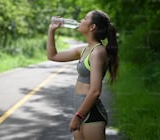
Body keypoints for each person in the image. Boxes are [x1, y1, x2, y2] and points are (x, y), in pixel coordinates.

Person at [47, 10, 119, 140]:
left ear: (92, 27)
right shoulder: (85, 49)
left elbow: (95, 91)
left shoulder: (97, 52)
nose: (81, 20)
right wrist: (51, 31)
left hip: (91, 113)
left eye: (85, 18)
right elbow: (53, 56)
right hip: (80, 110)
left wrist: (78, 116)